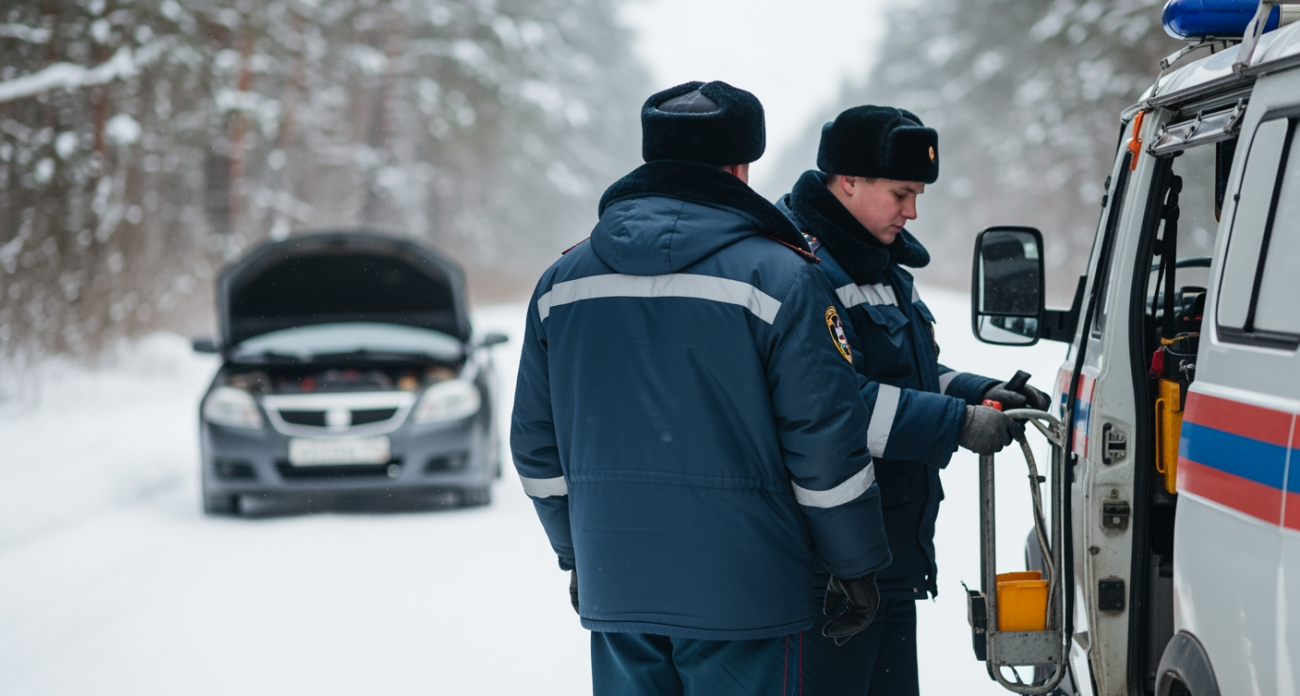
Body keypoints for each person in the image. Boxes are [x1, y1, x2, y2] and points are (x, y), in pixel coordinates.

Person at [511, 82, 894, 696]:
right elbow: (823, 444)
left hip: (618, 581)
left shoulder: (562, 281)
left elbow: (535, 447)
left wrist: (577, 549)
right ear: (742, 166)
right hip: (746, 592)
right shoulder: (784, 278)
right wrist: (855, 564)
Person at [775, 105, 1050, 696]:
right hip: (825, 570)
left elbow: (903, 371)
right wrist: (956, 422)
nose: (913, 210)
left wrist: (977, 391)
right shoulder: (799, 269)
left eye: (919, 193)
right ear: (848, 179)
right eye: (902, 192)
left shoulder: (875, 260)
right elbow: (836, 406)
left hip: (887, 553)